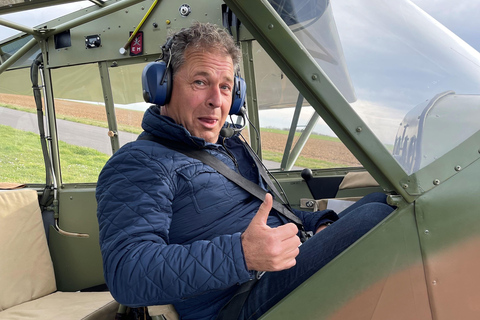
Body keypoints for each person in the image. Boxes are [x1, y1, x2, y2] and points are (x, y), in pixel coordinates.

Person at [96, 22, 395, 320]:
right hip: (235, 303)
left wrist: (318, 224)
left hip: (275, 269)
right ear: (163, 87)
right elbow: (127, 273)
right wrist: (241, 254)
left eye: (226, 86)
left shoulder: (229, 148)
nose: (216, 100)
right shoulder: (138, 163)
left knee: (382, 201)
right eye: (201, 82)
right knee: (376, 219)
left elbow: (272, 215)